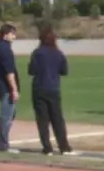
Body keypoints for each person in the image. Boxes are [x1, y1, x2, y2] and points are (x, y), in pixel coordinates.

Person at [27, 27, 74, 155]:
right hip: (53, 88)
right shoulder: (58, 53)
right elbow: (64, 71)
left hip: (39, 88)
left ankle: (47, 148)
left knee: (42, 120)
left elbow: (31, 70)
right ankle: (64, 146)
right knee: (57, 118)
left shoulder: (37, 53)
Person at [0, 23, 20, 153]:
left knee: (10, 114)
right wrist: (14, 89)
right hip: (5, 87)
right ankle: (3, 145)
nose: (14, 37)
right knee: (6, 116)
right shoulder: (5, 50)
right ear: (6, 34)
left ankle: (3, 142)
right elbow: (9, 72)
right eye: (13, 34)